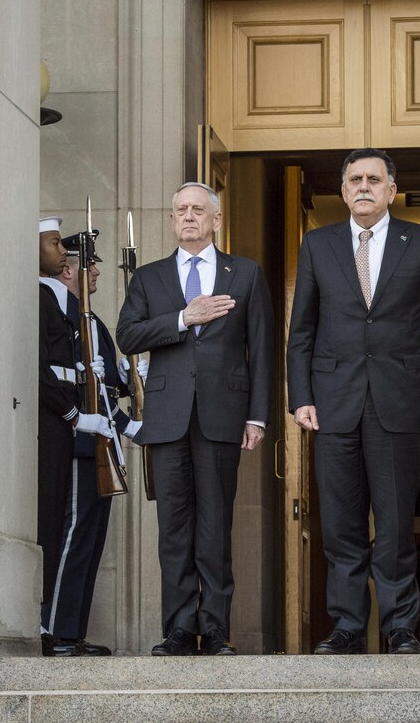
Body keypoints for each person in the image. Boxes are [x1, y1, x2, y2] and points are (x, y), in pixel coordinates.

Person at [286, 148, 420, 654]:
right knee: (340, 524)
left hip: (399, 401)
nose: (363, 186)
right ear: (343, 191)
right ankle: (347, 626)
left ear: (390, 190)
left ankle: (400, 625)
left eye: (373, 179)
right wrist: (302, 397)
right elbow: (302, 331)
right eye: (355, 179)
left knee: (397, 521)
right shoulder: (317, 246)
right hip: (333, 402)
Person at [117, 181, 273, 656]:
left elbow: (262, 349)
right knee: (174, 528)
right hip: (166, 419)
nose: (188, 217)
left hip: (223, 415)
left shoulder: (243, 274)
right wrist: (185, 318)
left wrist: (258, 417)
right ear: (171, 220)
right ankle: (180, 629)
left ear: (216, 220)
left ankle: (217, 629)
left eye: (198, 210)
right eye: (181, 210)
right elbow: (127, 335)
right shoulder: (148, 277)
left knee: (214, 526)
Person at [36, 234, 144, 657]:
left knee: (89, 539)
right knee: (73, 533)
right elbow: (58, 377)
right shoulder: (54, 306)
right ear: (68, 270)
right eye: (89, 264)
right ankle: (53, 628)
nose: (96, 271)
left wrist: (130, 375)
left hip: (100, 436)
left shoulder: (90, 320)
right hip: (80, 439)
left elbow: (109, 385)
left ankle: (71, 628)